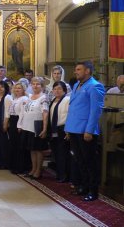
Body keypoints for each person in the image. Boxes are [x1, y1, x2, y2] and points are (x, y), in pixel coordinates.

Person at [65, 61, 105, 201]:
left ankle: (93, 191)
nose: (75, 71)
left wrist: (89, 130)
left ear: (87, 71)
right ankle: (84, 186)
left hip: (85, 130)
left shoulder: (95, 86)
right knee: (79, 160)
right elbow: (74, 108)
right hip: (74, 128)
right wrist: (68, 128)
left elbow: (95, 111)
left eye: (78, 69)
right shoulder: (76, 85)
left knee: (89, 161)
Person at [18, 77, 49, 180]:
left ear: (42, 86)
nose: (35, 86)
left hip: (37, 127)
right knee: (32, 149)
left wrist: (44, 129)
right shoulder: (30, 97)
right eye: (33, 84)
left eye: (38, 84)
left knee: (38, 150)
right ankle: (33, 168)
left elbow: (45, 113)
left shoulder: (43, 97)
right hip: (28, 126)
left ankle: (38, 170)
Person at [49, 81, 70, 183]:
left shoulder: (67, 100)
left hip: (63, 129)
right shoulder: (53, 100)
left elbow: (70, 115)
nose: (57, 91)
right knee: (56, 153)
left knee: (63, 153)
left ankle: (65, 175)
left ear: (64, 90)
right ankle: (59, 173)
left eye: (59, 89)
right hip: (54, 129)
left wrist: (68, 131)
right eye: (55, 89)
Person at [8, 82, 30, 175]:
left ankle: (20, 167)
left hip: (19, 122)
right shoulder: (15, 99)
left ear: (23, 90)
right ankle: (14, 165)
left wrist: (19, 125)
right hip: (13, 121)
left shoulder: (24, 99)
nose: (17, 90)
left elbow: (22, 113)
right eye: (16, 88)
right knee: (13, 144)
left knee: (19, 146)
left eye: (19, 88)